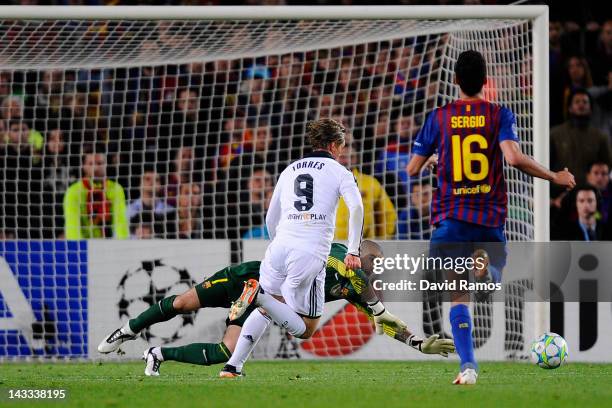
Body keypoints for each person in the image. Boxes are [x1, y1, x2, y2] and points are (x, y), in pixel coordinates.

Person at [406, 50, 575, 385]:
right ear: (486, 81)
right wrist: (554, 176)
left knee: (457, 295)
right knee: (492, 276)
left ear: (455, 81)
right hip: (488, 217)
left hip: (450, 220)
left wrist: (435, 158)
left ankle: (468, 367)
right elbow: (512, 158)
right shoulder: (499, 114)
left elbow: (412, 168)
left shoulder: (439, 117)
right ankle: (484, 269)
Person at [96, 241, 455, 376]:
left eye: (375, 267)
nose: (371, 270)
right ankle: (126, 330)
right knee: (181, 303)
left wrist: (418, 344)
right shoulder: (332, 251)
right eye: (370, 263)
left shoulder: (355, 286)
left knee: (226, 350)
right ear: (357, 254)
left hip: (265, 299)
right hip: (247, 275)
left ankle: (157, 353)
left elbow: (385, 320)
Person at [220, 118, 389, 378]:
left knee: (269, 308)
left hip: (278, 248)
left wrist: (279, 243)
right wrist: (353, 250)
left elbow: (270, 217)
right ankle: (258, 294)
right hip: (309, 253)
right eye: (342, 146)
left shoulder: (290, 170)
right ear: (334, 145)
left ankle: (233, 366)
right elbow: (356, 208)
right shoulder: (340, 172)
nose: (343, 151)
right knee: (305, 328)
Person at [335, 136, 396, 240]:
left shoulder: (371, 183)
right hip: (330, 247)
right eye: (342, 157)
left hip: (363, 248)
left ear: (356, 158)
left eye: (350, 157)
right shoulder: (320, 183)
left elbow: (388, 215)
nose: (346, 161)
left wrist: (382, 242)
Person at [63, 145, 129, 239]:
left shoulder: (116, 189)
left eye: (99, 163)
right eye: (91, 164)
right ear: (83, 166)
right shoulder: (73, 192)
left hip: (108, 245)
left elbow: (120, 223)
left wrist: (121, 247)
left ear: (106, 164)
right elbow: (72, 228)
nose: (95, 168)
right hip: (84, 247)